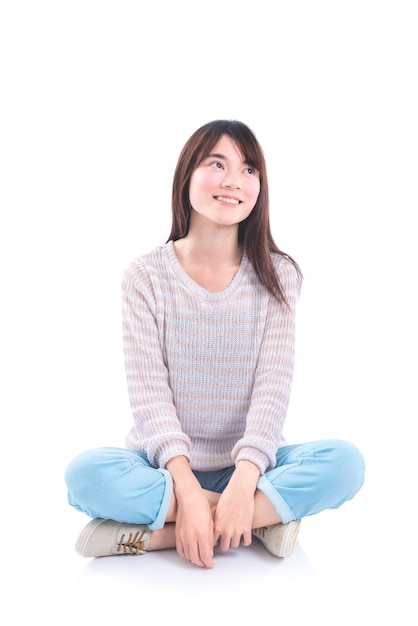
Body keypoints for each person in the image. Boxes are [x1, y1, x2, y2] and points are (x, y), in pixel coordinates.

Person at [64, 119, 365, 569]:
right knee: (85, 476)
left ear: (260, 188)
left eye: (248, 170)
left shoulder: (278, 276)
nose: (232, 181)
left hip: (251, 464)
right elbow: (150, 400)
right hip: (164, 469)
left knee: (346, 464)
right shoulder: (146, 277)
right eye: (216, 164)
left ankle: (157, 537)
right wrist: (183, 484)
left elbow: (272, 389)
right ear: (187, 176)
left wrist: (245, 481)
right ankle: (259, 522)